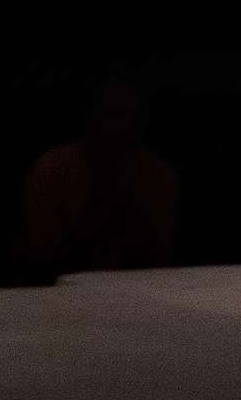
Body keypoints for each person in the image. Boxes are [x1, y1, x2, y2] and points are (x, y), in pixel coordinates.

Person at [20, 73, 181, 275]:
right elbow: (41, 254)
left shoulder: (157, 176)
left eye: (129, 117)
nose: (120, 129)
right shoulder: (52, 171)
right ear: (90, 116)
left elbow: (160, 257)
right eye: (111, 115)